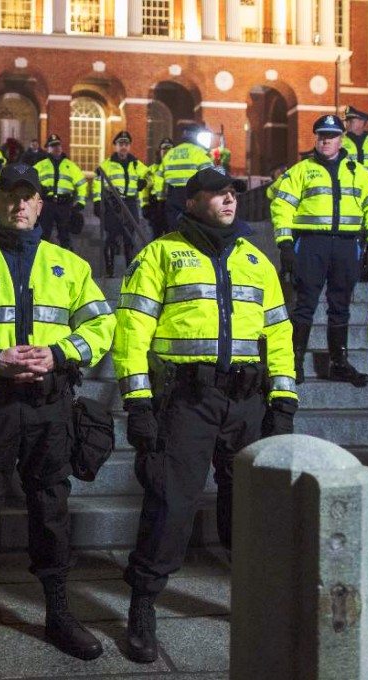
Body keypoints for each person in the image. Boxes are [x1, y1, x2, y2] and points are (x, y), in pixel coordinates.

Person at [0, 164, 115, 671]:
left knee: (51, 504)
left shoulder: (68, 265)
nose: (19, 204)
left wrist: (59, 354)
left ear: (39, 205)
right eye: (10, 195)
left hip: (49, 404)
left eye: (28, 197)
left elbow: (102, 325)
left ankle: (58, 611)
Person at [114, 167, 297, 664]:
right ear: (191, 202)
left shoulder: (256, 260)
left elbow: (278, 334)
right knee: (171, 502)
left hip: (247, 401)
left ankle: (256, 599)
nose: (230, 199)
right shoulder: (159, 255)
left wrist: (283, 399)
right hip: (186, 401)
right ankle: (144, 603)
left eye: (234, 191)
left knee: (251, 508)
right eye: (218, 193)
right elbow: (131, 334)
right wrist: (138, 403)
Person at [271, 114, 368, 387]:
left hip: (346, 246)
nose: (326, 140)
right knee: (305, 306)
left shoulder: (357, 171)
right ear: (316, 138)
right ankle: (294, 363)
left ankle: (339, 363)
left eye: (331, 136)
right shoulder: (301, 170)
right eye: (322, 135)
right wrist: (285, 243)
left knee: (340, 306)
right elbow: (281, 204)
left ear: (341, 139)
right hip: (311, 244)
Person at [92, 131, 149, 277]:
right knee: (111, 236)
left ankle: (130, 271)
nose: (123, 147)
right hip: (113, 205)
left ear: (129, 146)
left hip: (130, 204)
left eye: (126, 144)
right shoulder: (106, 165)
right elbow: (97, 183)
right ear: (116, 146)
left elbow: (150, 175)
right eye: (120, 144)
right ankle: (109, 270)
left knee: (130, 237)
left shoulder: (136, 164)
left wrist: (145, 182)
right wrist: (98, 202)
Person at [33, 133, 87, 250]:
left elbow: (82, 184)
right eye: (53, 146)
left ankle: (67, 261)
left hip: (64, 205)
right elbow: (30, 182)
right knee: (43, 234)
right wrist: (40, 189)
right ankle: (41, 260)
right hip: (47, 205)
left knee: (65, 236)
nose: (57, 148)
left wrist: (80, 203)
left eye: (58, 145)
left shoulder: (70, 166)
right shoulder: (40, 166)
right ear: (48, 149)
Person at [158, 123, 213, 229]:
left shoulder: (170, 153)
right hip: (192, 195)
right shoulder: (199, 152)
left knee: (174, 227)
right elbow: (209, 175)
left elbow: (159, 178)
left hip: (172, 194)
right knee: (193, 227)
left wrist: (160, 198)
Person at [144, 137, 174, 239]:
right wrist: (144, 205)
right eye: (164, 148)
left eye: (169, 148)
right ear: (159, 151)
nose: (166, 151)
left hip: (171, 206)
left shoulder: (176, 168)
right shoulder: (152, 169)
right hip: (155, 207)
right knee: (155, 238)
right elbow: (145, 189)